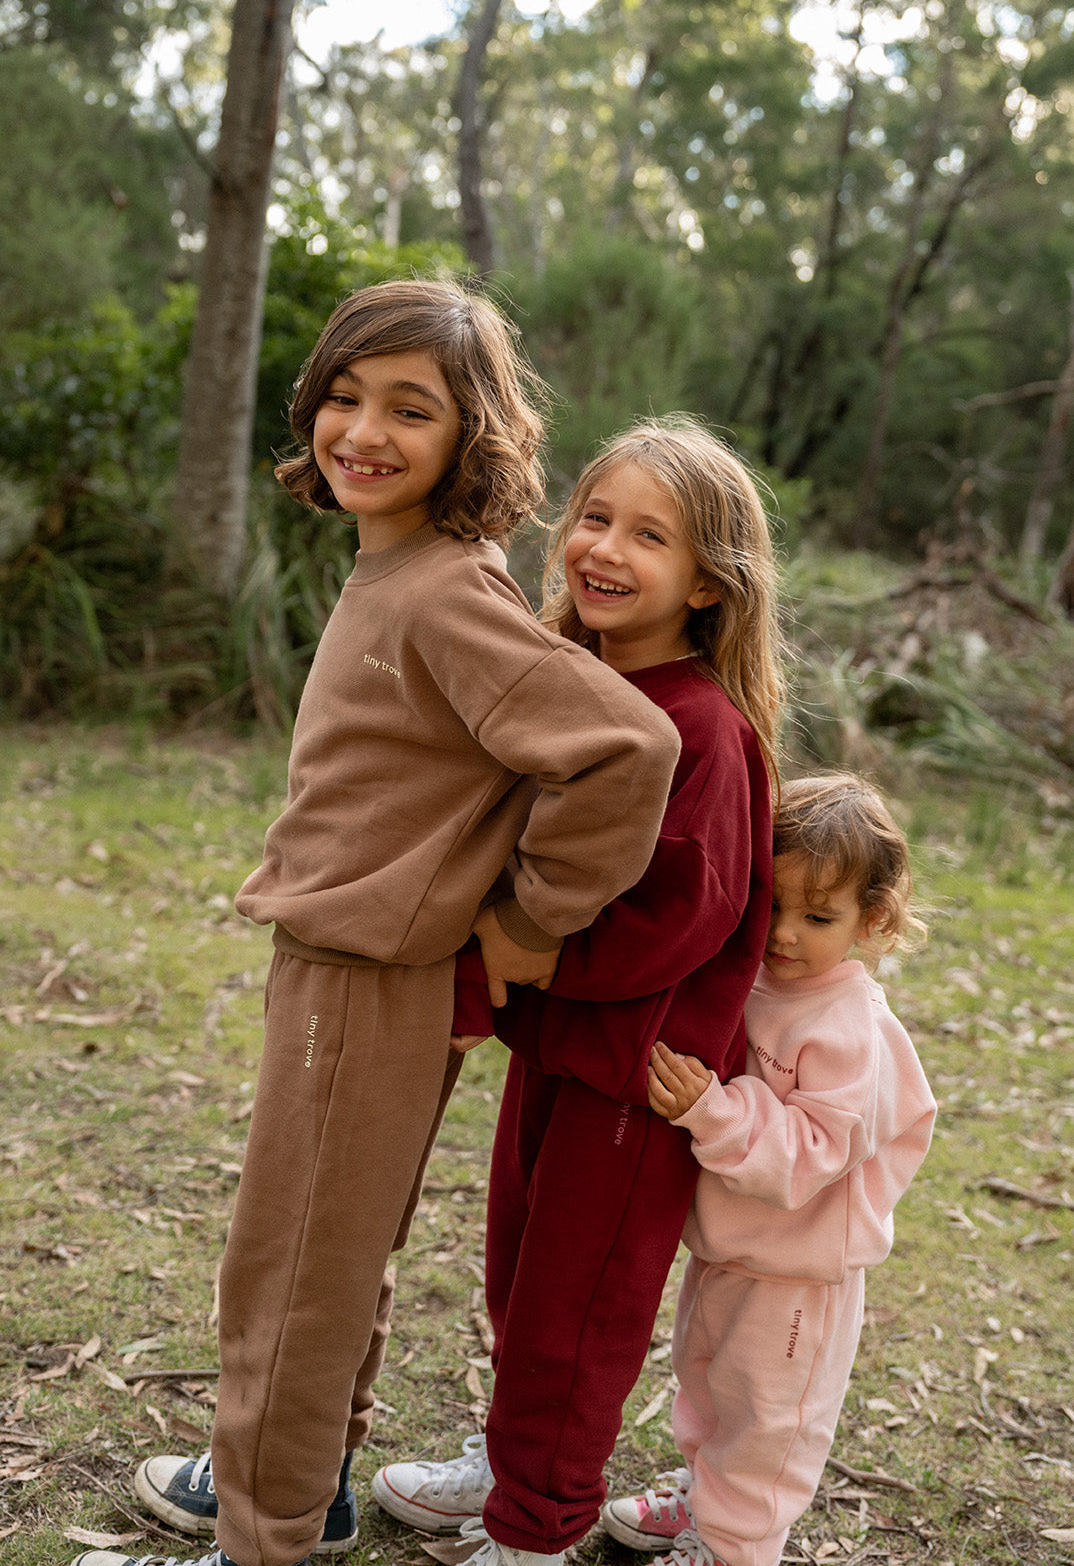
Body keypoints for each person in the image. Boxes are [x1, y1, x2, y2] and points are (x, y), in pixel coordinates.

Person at [75, 280, 683, 1566]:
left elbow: (627, 746)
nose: (366, 429)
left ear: (474, 438)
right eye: (345, 396)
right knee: (327, 1253)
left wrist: (531, 919)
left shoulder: (440, 594)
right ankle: (314, 1487)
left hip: (367, 983)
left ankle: (265, 1532)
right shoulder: (401, 568)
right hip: (342, 972)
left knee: (290, 1272)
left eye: (413, 408)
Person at [372, 418, 784, 1566]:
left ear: (706, 584)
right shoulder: (573, 684)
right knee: (517, 1280)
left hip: (631, 1079)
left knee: (575, 1313)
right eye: (594, 518)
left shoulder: (702, 727)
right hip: (557, 1053)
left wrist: (541, 957)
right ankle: (513, 1468)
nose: (603, 547)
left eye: (647, 535)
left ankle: (535, 1531)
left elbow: (688, 911)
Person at [600, 771, 937, 1566]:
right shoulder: (763, 981)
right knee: (707, 1383)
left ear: (874, 920)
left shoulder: (849, 1027)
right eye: (772, 906)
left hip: (798, 1276)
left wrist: (713, 1111)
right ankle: (706, 1497)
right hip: (733, 1249)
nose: (784, 934)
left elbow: (813, 1153)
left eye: (818, 916)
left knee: (769, 1420)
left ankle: (737, 1545)